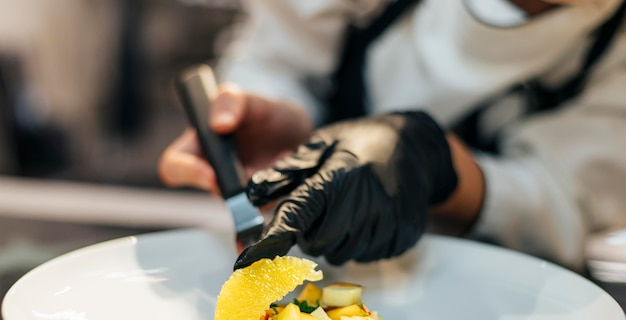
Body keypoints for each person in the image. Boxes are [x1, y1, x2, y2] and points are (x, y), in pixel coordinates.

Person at [158, 0, 626, 274]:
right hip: (317, 264)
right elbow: (277, 55)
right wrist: (291, 129)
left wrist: (439, 167)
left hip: (501, 300)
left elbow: (570, 204)